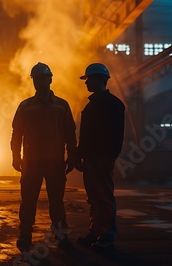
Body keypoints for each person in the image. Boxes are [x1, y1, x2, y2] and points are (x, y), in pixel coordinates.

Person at [11, 62, 77, 253]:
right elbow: (17, 134)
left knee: (56, 201)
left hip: (54, 162)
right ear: (34, 81)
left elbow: (70, 133)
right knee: (28, 201)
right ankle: (25, 236)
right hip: (32, 162)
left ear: (50, 79)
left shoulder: (61, 106)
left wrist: (72, 155)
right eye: (37, 78)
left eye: (43, 78)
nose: (40, 81)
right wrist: (16, 156)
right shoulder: (25, 106)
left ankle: (60, 235)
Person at [75, 63, 125, 250]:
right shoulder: (91, 105)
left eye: (89, 79)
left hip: (102, 158)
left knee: (104, 197)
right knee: (94, 197)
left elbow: (117, 135)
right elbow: (85, 135)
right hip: (90, 159)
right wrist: (80, 155)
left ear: (101, 80)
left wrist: (110, 156)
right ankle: (95, 232)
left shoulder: (113, 104)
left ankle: (107, 236)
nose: (87, 83)